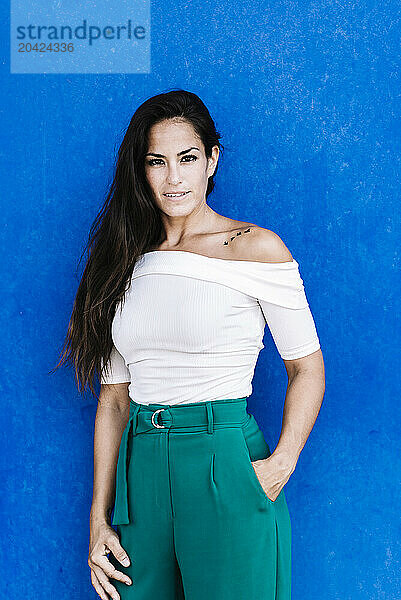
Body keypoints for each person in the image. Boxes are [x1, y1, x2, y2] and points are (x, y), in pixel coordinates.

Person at [56, 89, 325, 600]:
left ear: (211, 160)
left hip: (224, 459)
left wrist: (282, 463)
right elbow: (114, 400)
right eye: (157, 162)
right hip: (143, 468)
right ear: (142, 170)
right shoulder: (122, 263)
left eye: (187, 159)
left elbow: (307, 369)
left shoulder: (254, 248)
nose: (173, 178)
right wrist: (98, 518)